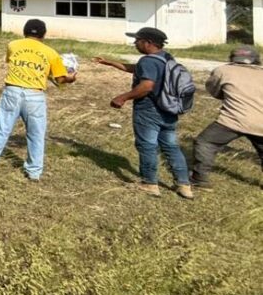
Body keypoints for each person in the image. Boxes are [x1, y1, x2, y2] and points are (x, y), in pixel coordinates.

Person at [0, 18, 75, 180]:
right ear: (44, 34)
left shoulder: (13, 45)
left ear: (24, 32)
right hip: (35, 95)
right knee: (36, 133)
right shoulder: (51, 53)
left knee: (1, 127)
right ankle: (34, 171)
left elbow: (13, 61)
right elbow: (60, 79)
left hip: (12, 90)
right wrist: (71, 78)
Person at [95, 26, 193, 199]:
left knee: (147, 145)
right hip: (169, 109)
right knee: (171, 147)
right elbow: (136, 68)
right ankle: (184, 185)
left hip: (149, 109)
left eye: (137, 40)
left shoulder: (148, 61)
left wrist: (123, 97)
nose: (135, 43)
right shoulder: (166, 58)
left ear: (148, 43)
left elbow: (147, 86)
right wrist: (109, 62)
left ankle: (149, 183)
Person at [191, 45, 263, 189]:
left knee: (206, 142)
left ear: (232, 58)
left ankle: (200, 179)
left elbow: (215, 91)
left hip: (233, 120)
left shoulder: (223, 71)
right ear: (257, 60)